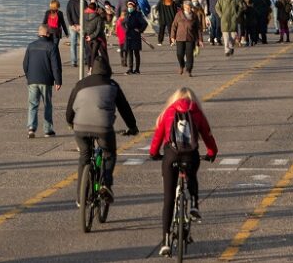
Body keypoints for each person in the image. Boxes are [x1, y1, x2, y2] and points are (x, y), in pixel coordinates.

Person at [149, 88, 218, 256]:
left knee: (168, 199)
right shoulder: (196, 112)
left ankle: (165, 241)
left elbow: (158, 137)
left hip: (171, 156)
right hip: (190, 156)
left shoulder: (168, 112)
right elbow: (208, 136)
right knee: (192, 175)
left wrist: (153, 153)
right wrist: (212, 152)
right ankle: (194, 204)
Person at [66, 56, 138, 206]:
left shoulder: (80, 84)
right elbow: (124, 108)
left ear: (91, 70)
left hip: (80, 127)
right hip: (103, 128)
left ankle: (81, 197)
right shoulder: (113, 85)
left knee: (84, 157)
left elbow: (70, 107)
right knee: (109, 153)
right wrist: (132, 127)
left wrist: (70, 122)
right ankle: (105, 183)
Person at [23, 25, 62, 138]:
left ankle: (31, 128)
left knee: (33, 104)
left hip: (32, 80)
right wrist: (58, 81)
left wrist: (29, 76)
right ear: (48, 34)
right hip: (46, 80)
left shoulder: (31, 46)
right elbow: (56, 66)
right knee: (47, 105)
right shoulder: (52, 46)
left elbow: (25, 64)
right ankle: (48, 130)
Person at [171, 0, 204, 77]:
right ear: (184, 7)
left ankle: (189, 70)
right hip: (180, 37)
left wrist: (200, 39)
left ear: (191, 7)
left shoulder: (194, 16)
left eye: (189, 7)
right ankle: (182, 66)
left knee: (189, 55)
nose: (188, 8)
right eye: (186, 7)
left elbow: (198, 28)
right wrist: (172, 36)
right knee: (179, 54)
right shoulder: (179, 15)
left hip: (190, 38)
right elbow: (174, 26)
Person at [122, 1, 148, 75]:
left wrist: (139, 30)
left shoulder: (138, 14)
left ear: (134, 7)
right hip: (128, 35)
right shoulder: (127, 14)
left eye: (131, 7)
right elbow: (122, 23)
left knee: (136, 53)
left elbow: (144, 23)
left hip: (135, 36)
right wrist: (125, 29)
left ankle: (137, 69)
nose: (129, 8)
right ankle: (130, 69)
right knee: (130, 53)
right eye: (128, 7)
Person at [83, 1, 107, 71]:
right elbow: (98, 29)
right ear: (95, 9)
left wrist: (87, 36)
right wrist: (92, 36)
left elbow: (84, 27)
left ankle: (90, 68)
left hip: (87, 37)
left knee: (90, 53)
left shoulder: (85, 16)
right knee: (94, 53)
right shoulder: (98, 17)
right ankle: (93, 68)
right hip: (96, 38)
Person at [66, 0, 85, 67]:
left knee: (73, 44)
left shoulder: (70, 2)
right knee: (83, 44)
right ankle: (84, 59)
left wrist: (72, 24)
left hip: (72, 26)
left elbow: (68, 13)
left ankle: (74, 61)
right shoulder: (84, 2)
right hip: (81, 26)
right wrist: (81, 25)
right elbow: (86, 14)